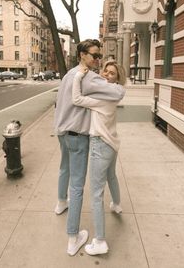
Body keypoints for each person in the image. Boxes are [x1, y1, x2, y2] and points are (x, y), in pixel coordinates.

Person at [54, 39, 125, 256]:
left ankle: (59, 203)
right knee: (77, 187)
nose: (97, 60)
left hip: (62, 133)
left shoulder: (69, 74)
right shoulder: (89, 77)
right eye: (94, 56)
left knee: (64, 169)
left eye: (99, 56)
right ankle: (73, 239)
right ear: (82, 55)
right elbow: (118, 93)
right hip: (78, 137)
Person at [72, 60, 126, 255]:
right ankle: (117, 204)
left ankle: (100, 241)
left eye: (112, 73)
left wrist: (78, 75)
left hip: (100, 145)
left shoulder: (104, 97)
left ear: (117, 78)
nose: (106, 75)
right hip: (112, 144)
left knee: (96, 193)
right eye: (105, 71)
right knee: (111, 176)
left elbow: (76, 99)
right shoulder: (114, 93)